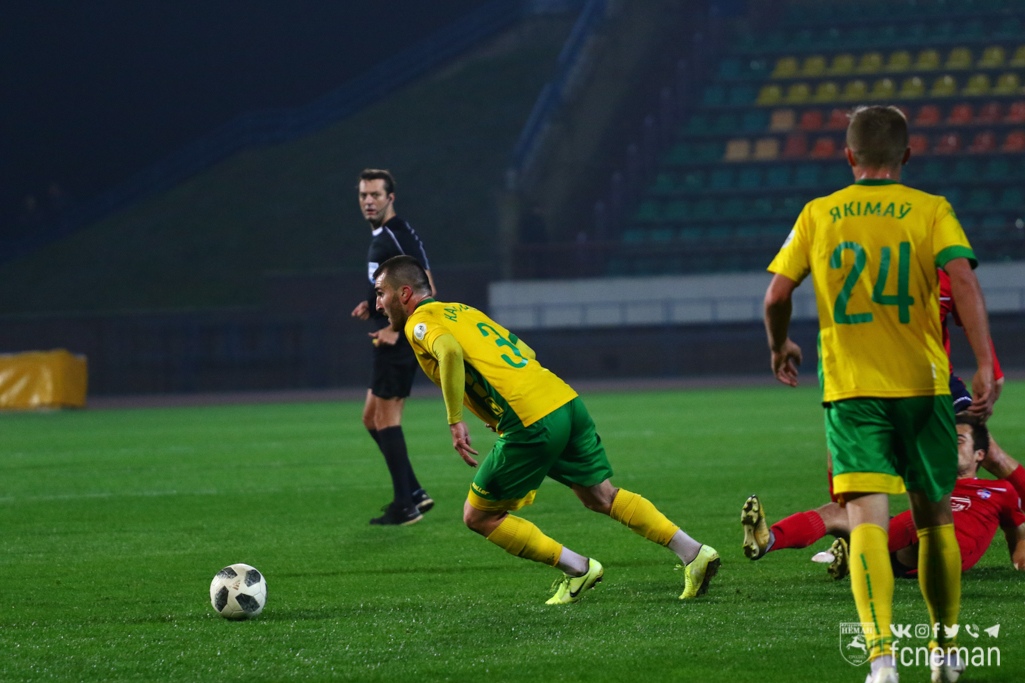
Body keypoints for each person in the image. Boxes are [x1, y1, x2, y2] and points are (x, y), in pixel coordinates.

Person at [763, 105, 995, 683]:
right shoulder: (931, 209)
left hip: (852, 393)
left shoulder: (818, 213)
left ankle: (882, 662)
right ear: (907, 156)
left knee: (866, 521)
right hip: (924, 387)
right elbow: (964, 280)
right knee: (934, 520)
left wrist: (779, 344)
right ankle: (945, 652)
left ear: (848, 156)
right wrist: (985, 362)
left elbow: (776, 296)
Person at [372, 254, 719, 603]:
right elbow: (525, 349)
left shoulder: (419, 322)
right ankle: (693, 553)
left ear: (405, 294)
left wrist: (455, 419)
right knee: (601, 496)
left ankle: (578, 569)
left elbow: (447, 351)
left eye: (380, 293)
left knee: (478, 516)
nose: (378, 304)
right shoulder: (462, 310)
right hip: (563, 400)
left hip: (530, 419)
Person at [741, 415, 1025, 581]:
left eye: (959, 441)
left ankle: (856, 555)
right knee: (837, 510)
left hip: (941, 547)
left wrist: (1020, 562)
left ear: (979, 455)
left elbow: (1019, 537)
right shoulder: (927, 479)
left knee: (929, 527)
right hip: (908, 538)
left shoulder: (1001, 490)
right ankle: (769, 540)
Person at [350, 169, 437, 526]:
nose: (368, 201)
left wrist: (393, 329)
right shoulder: (382, 236)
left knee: (386, 419)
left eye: (375, 195)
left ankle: (405, 506)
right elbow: (393, 285)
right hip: (390, 338)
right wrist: (371, 305)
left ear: (390, 198)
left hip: (399, 341)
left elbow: (427, 289)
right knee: (371, 418)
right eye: (363, 195)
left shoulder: (396, 235)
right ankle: (413, 492)